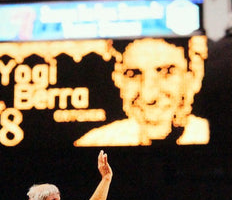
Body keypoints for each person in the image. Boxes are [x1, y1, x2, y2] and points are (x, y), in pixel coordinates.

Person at [74, 36, 209, 147]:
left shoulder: (211, 135)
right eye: (133, 74)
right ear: (118, 79)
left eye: (166, 72)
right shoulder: (98, 142)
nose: (148, 96)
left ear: (193, 76)